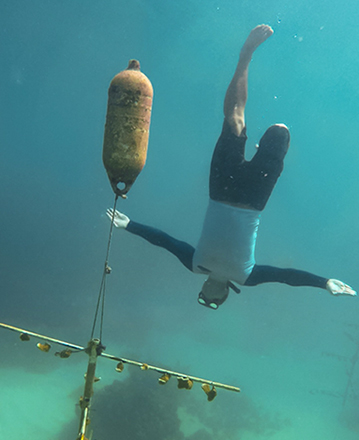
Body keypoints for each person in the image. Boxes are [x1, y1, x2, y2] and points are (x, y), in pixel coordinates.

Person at [107, 24, 356, 310]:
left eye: (204, 298)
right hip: (254, 198)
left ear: (201, 288)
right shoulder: (248, 277)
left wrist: (129, 226)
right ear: (228, 294)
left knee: (234, 119)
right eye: (214, 301)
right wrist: (324, 283)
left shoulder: (194, 264)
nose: (209, 297)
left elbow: (164, 240)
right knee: (280, 132)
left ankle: (245, 55)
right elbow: (286, 276)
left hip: (220, 188)